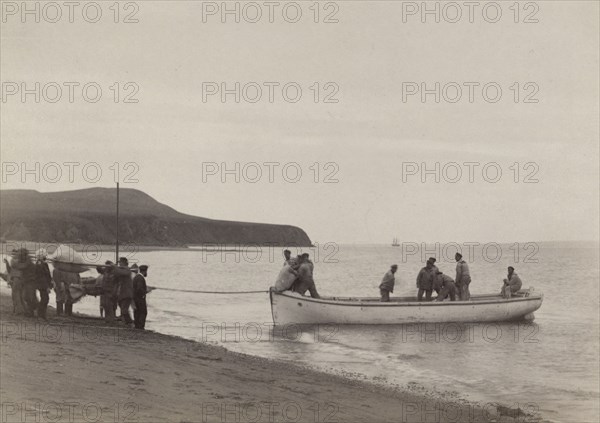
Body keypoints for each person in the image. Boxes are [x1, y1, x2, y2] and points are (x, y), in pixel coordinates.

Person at [113, 257, 133, 325]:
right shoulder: (122, 270)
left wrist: (115, 267)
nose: (119, 264)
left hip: (127, 293)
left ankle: (129, 322)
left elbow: (121, 272)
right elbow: (116, 274)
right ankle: (127, 321)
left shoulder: (127, 270)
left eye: (120, 262)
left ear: (124, 262)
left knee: (124, 310)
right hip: (122, 294)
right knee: (122, 308)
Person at [33, 253, 53, 319]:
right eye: (43, 256)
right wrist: (47, 286)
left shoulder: (44, 264)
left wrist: (49, 284)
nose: (45, 257)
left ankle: (42, 314)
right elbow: (42, 276)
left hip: (44, 284)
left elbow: (47, 275)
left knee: (45, 299)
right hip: (42, 284)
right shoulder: (39, 265)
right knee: (45, 299)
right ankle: (41, 315)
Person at [133, 265, 149, 329]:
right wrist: (145, 292)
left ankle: (137, 325)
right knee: (143, 312)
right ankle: (140, 326)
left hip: (136, 298)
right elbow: (139, 288)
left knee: (137, 312)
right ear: (145, 271)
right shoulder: (140, 278)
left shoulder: (136, 277)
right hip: (140, 298)